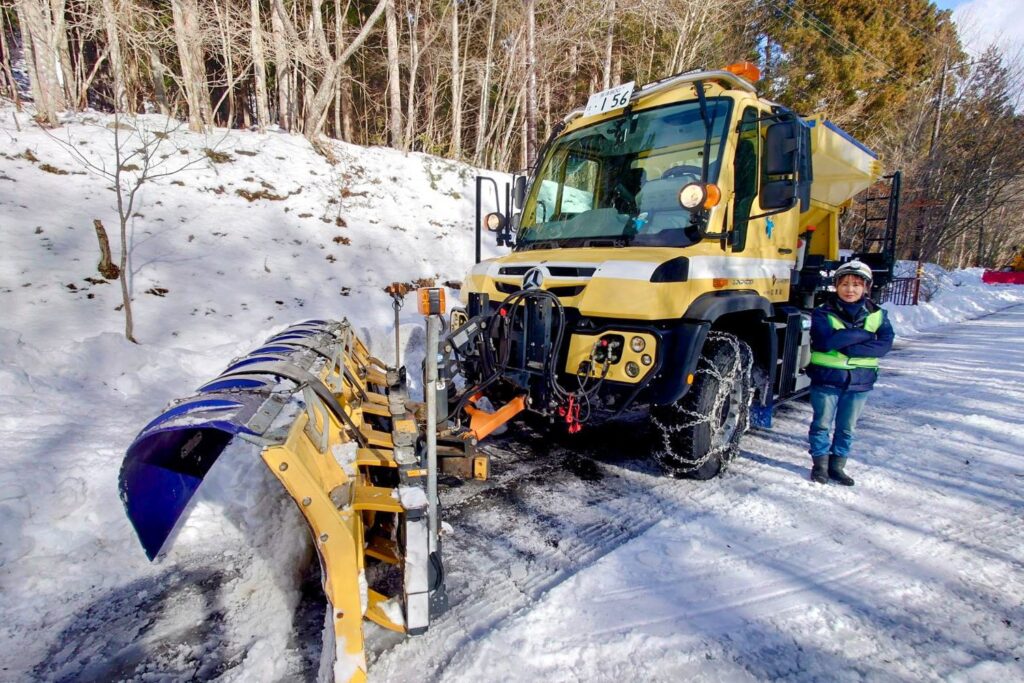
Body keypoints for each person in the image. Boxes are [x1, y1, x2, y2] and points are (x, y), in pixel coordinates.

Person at [806, 260, 895, 486]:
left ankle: (838, 467)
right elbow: (825, 341)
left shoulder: (878, 315)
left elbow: (884, 344)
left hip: (860, 381)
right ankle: (820, 467)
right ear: (836, 285)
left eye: (856, 284)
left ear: (866, 287)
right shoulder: (822, 312)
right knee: (821, 425)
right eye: (844, 284)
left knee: (847, 428)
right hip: (827, 378)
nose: (850, 289)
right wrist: (864, 335)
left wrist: (845, 341)